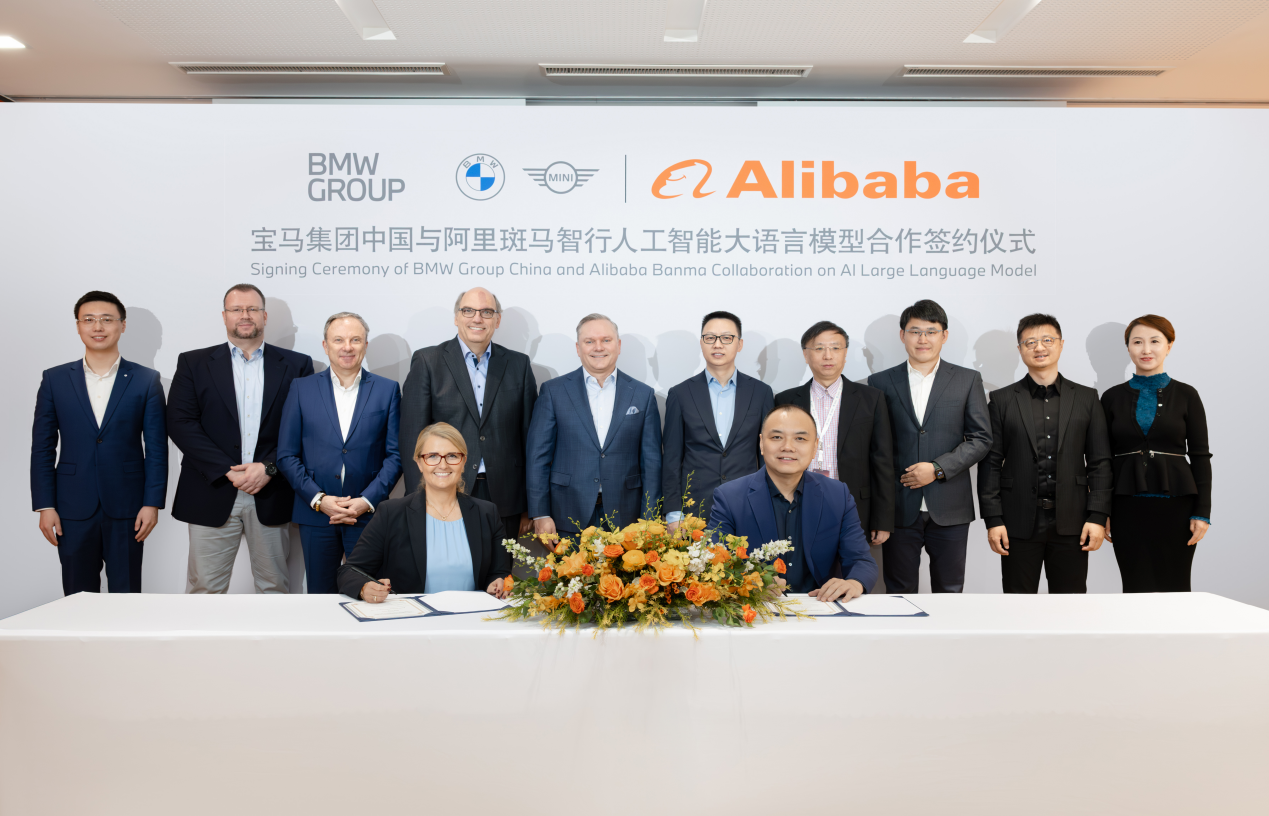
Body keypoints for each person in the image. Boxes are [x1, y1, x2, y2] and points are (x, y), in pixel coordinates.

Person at [167, 283, 314, 594]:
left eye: (252, 309)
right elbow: (180, 423)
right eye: (236, 309)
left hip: (271, 489)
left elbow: (305, 427)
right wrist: (227, 470)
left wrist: (268, 467)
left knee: (274, 588)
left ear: (264, 316)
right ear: (224, 316)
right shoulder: (193, 363)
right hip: (212, 488)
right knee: (205, 590)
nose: (244, 315)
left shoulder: (297, 364)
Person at [31, 291, 168, 594]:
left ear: (122, 325)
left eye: (107, 319)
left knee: (126, 595)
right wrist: (45, 505)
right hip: (71, 506)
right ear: (78, 326)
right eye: (89, 320)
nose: (98, 327)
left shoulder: (146, 380)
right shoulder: (54, 379)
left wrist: (152, 503)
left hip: (128, 506)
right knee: (78, 596)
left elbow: (157, 448)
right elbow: (42, 447)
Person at [977, 314, 1113, 594]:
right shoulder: (1002, 400)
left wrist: (1098, 516)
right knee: (1017, 604)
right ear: (1020, 350)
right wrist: (994, 519)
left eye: (1047, 340)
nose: (1039, 347)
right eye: (1030, 342)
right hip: (1017, 521)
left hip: (1073, 521)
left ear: (1061, 344)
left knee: (1070, 605)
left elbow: (1099, 462)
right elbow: (990, 464)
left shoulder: (1087, 398)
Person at [868, 299, 991, 594]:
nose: (923, 339)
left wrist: (937, 469)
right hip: (898, 508)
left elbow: (981, 438)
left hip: (950, 507)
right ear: (902, 335)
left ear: (944, 336)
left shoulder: (967, 379)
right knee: (899, 592)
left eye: (931, 331)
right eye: (915, 331)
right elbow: (875, 447)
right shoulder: (880, 382)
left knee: (950, 591)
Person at [277, 312, 402, 594]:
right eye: (339, 340)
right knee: (320, 595)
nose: (347, 347)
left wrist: (366, 501)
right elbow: (286, 455)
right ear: (325, 346)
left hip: (368, 515)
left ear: (365, 345)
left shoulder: (387, 390)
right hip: (316, 515)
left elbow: (396, 456)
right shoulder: (301, 388)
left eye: (355, 340)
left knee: (370, 594)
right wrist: (320, 500)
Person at [399, 288, 537, 542]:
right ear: (456, 317)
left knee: (499, 567)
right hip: (445, 489)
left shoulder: (519, 364)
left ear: (497, 320)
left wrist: (531, 505)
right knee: (449, 563)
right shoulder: (428, 361)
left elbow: (530, 439)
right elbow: (412, 438)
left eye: (486, 312)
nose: (477, 318)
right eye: (468, 311)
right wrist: (418, 499)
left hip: (506, 498)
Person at [709, 405, 878, 603]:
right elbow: (714, 564)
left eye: (800, 438)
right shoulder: (729, 497)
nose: (787, 447)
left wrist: (855, 582)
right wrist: (747, 582)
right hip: (758, 608)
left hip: (820, 606)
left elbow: (860, 560)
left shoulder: (837, 495)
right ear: (762, 444)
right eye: (776, 437)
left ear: (815, 446)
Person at [775, 320, 895, 591]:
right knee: (799, 575)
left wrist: (883, 518)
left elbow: (883, 460)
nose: (827, 355)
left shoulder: (871, 398)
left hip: (853, 505)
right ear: (806, 354)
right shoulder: (786, 400)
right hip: (798, 502)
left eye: (835, 348)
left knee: (850, 579)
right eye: (819, 348)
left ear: (845, 353)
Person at [337, 422, 511, 601]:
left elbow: (500, 572)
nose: (443, 465)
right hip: (411, 616)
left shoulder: (487, 513)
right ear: (419, 463)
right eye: (432, 456)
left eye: (452, 456)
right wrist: (364, 588)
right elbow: (349, 571)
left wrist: (497, 583)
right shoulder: (391, 513)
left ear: (464, 461)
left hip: (471, 616)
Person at [1101, 315, 1211, 592]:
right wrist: (1100, 511)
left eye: (1155, 341)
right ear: (1128, 348)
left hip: (1178, 506)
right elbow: (1102, 460)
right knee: (1134, 587)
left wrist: (1202, 512)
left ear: (1169, 346)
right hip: (1125, 507)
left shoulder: (1187, 395)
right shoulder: (1111, 397)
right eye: (1137, 342)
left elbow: (1200, 457)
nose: (1146, 349)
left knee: (1175, 588)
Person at [526, 313, 662, 535]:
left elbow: (652, 462)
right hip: (566, 513)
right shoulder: (553, 391)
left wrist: (650, 519)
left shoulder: (643, 394)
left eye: (606, 340)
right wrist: (540, 513)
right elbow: (537, 457)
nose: (598, 347)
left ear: (618, 345)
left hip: (627, 519)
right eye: (589, 341)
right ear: (578, 348)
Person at [662, 311, 773, 530]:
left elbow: (767, 454)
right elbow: (672, 459)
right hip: (694, 510)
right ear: (701, 343)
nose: (718, 344)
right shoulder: (680, 394)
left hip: (749, 503)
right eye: (710, 338)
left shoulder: (761, 393)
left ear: (739, 344)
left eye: (726, 338)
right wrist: (674, 513)